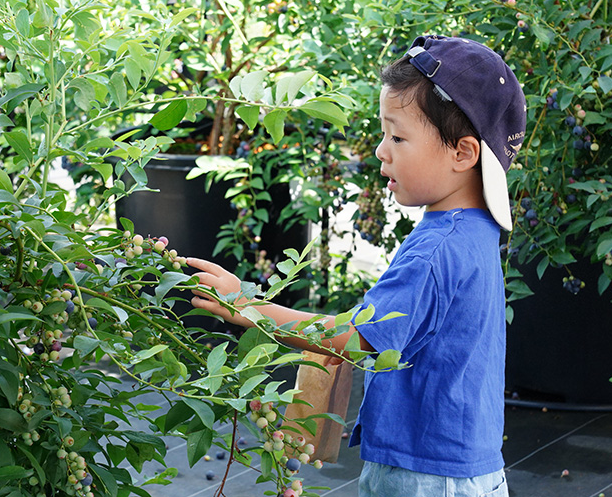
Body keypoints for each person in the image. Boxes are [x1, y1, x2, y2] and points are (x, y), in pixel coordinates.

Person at [187, 34, 526, 497]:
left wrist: (243, 305)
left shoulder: (436, 250)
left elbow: (354, 339)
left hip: (426, 478)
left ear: (462, 153)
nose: (382, 151)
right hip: (464, 468)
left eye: (399, 136)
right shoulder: (472, 229)